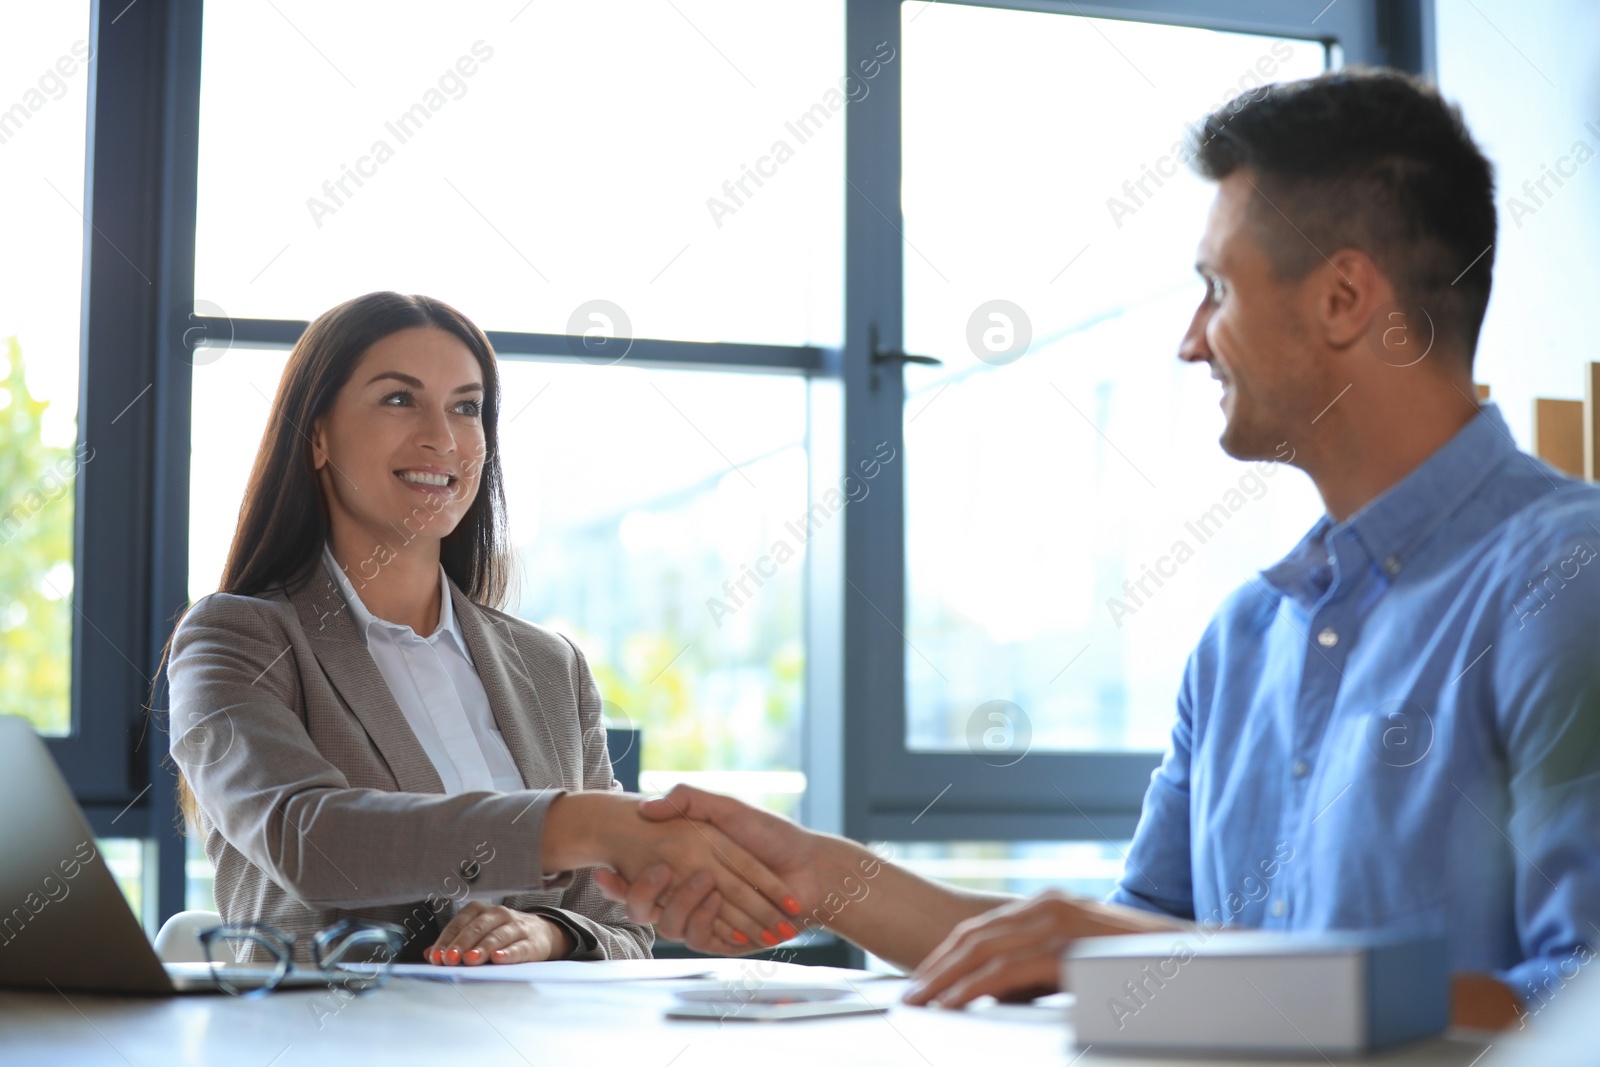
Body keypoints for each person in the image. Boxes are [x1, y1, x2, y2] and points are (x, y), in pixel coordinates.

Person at [595, 69, 1600, 1028]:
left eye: (1215, 286)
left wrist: (1208, 978)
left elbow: (1580, 992)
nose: (1191, 338)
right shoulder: (1244, 636)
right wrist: (815, 872)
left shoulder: (1564, 578)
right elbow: (1116, 954)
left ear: (1343, 299)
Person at [165, 292, 800, 966]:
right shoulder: (235, 638)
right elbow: (313, 841)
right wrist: (585, 824)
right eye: (399, 399)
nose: (441, 436)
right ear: (317, 434)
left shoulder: (551, 667)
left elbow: (622, 929)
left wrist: (550, 933)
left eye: (466, 407)